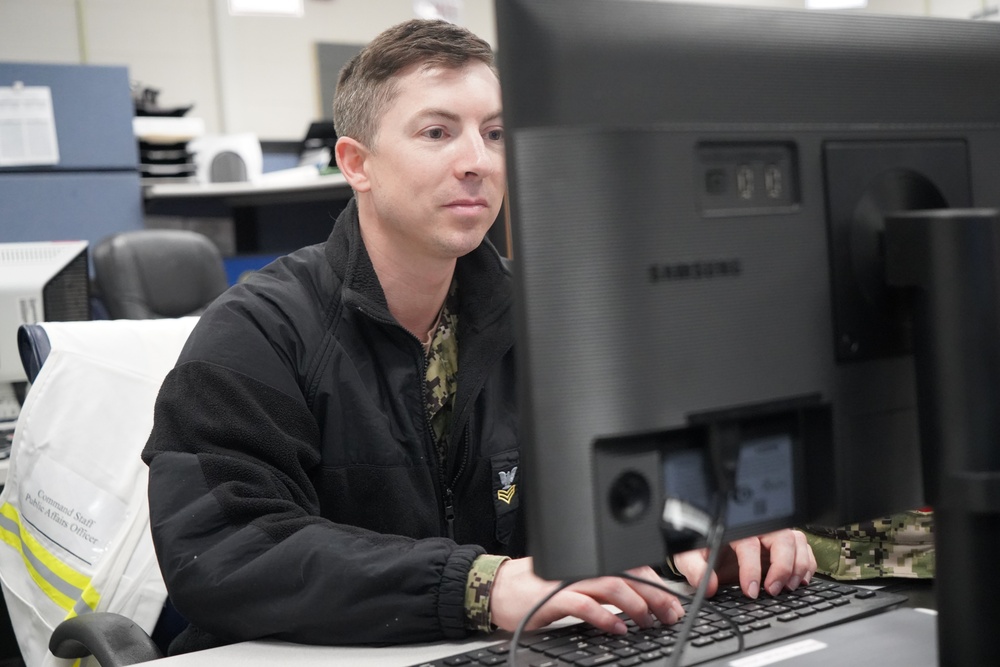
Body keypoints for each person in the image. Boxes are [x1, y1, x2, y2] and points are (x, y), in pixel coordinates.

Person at [141, 18, 816, 654]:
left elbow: (624, 479)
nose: (478, 161)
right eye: (437, 132)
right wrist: (482, 583)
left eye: (495, 134)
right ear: (357, 163)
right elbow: (225, 550)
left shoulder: (551, 319)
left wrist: (706, 527)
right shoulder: (256, 331)